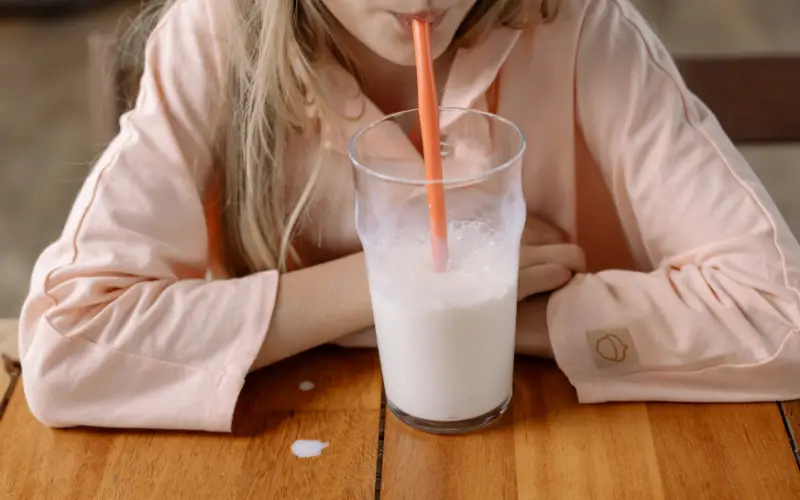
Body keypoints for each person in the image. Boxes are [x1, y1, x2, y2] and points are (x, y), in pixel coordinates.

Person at [18, 0, 800, 432]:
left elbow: (779, 315)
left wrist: (478, 318)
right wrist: (383, 293)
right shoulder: (213, 32)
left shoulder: (580, 26)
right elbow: (67, 346)